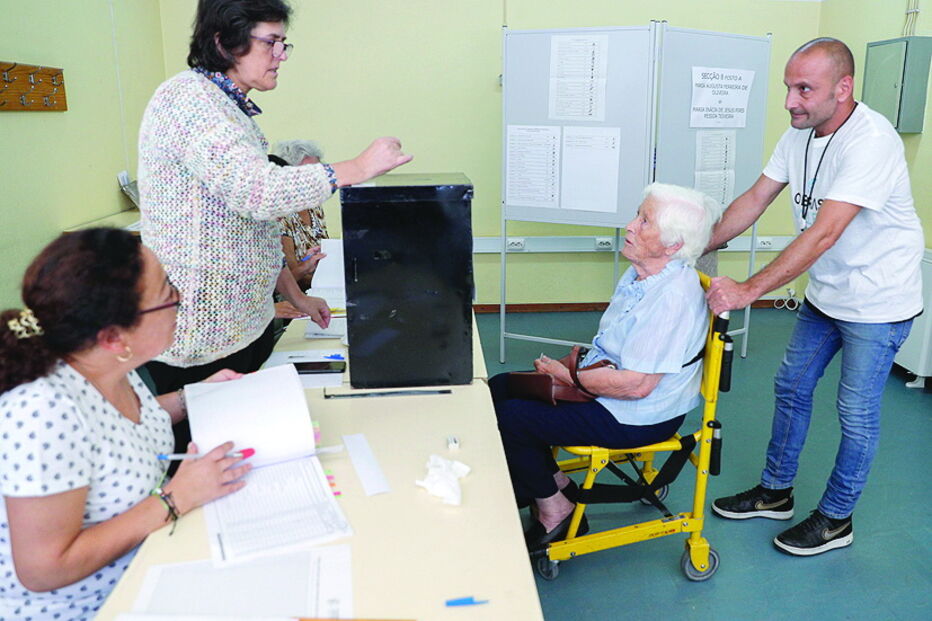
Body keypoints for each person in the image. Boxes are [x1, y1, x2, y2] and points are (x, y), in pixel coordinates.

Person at [705, 38, 924, 556]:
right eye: (788, 87)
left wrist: (749, 290)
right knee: (791, 388)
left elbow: (823, 233)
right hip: (829, 293)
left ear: (843, 88)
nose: (790, 101)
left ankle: (835, 519)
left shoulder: (871, 141)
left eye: (804, 88)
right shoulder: (799, 135)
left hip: (878, 302)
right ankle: (775, 492)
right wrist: (691, 245)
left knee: (856, 412)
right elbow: (756, 199)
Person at [138, 0, 412, 399]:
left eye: (284, 43)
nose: (281, 55)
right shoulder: (190, 101)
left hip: (246, 323)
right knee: (201, 449)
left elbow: (258, 227)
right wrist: (356, 167)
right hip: (201, 336)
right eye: (272, 43)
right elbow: (259, 192)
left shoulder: (231, 111)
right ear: (225, 42)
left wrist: (296, 296)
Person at [0, 228, 251, 621]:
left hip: (148, 566)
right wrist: (174, 498)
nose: (179, 300)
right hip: (89, 608)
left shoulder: (106, 364)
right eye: (167, 294)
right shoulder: (42, 410)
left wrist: (193, 397)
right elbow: (43, 568)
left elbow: (116, 433)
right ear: (115, 337)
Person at [489, 183, 722, 550]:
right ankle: (555, 483)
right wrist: (575, 374)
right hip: (610, 388)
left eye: (644, 221)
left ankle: (556, 510)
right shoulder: (642, 274)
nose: (630, 226)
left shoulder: (671, 299)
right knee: (499, 388)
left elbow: (637, 386)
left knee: (511, 418)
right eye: (637, 215)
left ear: (673, 245)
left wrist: (570, 376)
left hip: (636, 416)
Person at [268, 140, 330, 290]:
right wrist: (306, 268)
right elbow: (285, 282)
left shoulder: (314, 205)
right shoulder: (279, 215)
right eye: (306, 175)